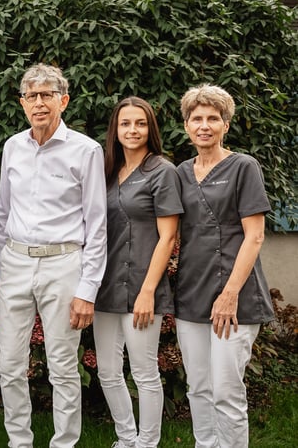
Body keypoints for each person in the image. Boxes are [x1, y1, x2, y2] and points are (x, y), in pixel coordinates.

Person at [0, 63, 107, 448]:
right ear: (22, 103)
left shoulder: (86, 150)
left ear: (64, 101)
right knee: (9, 365)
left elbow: (97, 224)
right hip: (16, 262)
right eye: (32, 96)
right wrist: (1, 267)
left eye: (47, 95)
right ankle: (18, 442)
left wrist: (87, 289)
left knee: (62, 365)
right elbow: (4, 213)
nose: (39, 103)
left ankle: (64, 443)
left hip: (64, 264)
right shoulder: (13, 147)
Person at [175, 84, 273, 448]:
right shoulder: (181, 172)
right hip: (191, 292)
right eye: (197, 118)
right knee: (198, 387)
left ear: (225, 125)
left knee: (226, 391)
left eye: (213, 118)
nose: (204, 125)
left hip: (236, 296)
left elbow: (255, 236)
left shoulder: (244, 167)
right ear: (187, 125)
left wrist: (230, 294)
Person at [94, 97, 182, 448]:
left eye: (140, 123)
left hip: (144, 286)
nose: (133, 130)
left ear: (151, 129)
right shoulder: (106, 172)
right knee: (107, 371)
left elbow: (168, 237)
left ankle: (148, 442)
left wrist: (148, 291)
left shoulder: (162, 171)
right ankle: (126, 438)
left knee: (144, 371)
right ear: (115, 130)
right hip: (105, 286)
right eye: (126, 123)